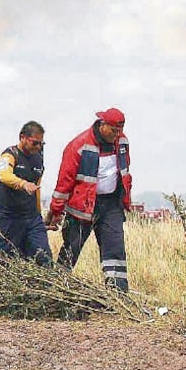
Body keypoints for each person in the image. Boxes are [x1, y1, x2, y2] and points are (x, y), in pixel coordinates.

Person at [46, 107, 132, 291]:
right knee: (72, 247)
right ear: (102, 125)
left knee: (115, 249)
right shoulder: (79, 145)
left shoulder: (122, 142)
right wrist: (56, 210)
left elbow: (124, 172)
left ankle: (118, 294)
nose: (116, 135)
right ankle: (57, 288)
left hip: (111, 205)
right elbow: (64, 183)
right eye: (113, 131)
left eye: (119, 131)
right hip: (81, 209)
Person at [0, 121, 52, 265]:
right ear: (22, 137)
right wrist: (22, 184)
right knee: (1, 261)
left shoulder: (38, 159)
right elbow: (4, 175)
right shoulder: (9, 155)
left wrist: (40, 214)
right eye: (35, 143)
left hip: (31, 217)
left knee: (43, 257)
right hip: (6, 217)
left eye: (41, 143)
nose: (38, 147)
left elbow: (37, 189)